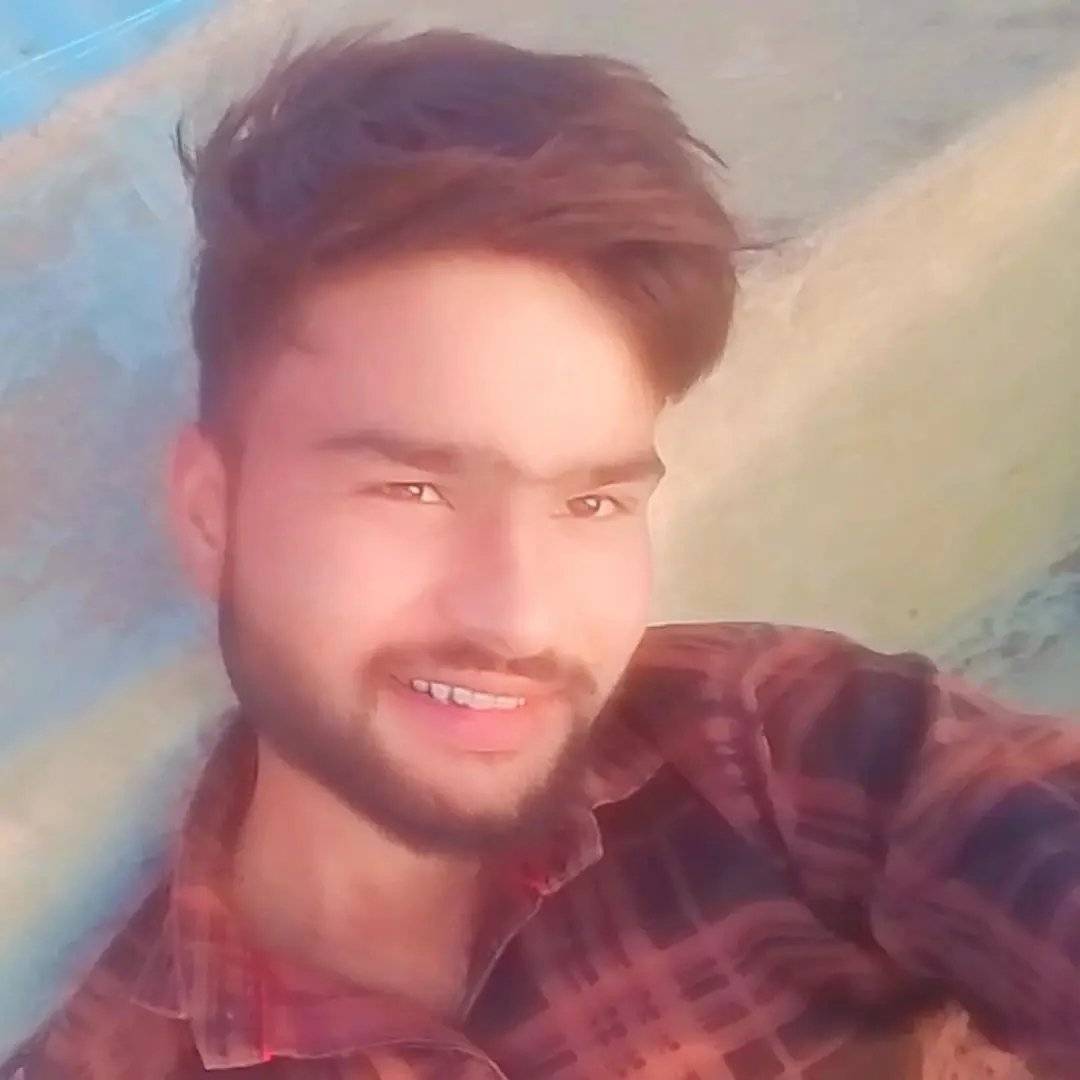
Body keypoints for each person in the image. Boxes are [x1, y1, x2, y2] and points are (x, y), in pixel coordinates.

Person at [4, 27, 1077, 1080]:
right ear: (211, 515)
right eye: (415, 489)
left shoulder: (780, 748)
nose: (518, 615)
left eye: (591, 501)